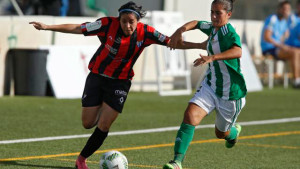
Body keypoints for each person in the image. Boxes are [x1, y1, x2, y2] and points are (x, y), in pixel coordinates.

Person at [30, 1, 199, 169]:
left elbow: (172, 42)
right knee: (87, 123)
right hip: (97, 77)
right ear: (118, 19)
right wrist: (47, 27)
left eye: (131, 22)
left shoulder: (146, 32)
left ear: (138, 21)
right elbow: (78, 28)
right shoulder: (106, 24)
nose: (127, 25)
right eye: (123, 21)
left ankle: (81, 160)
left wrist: (200, 45)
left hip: (120, 82)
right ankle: (103, 107)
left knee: (104, 125)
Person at [163, 0, 247, 168]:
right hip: (211, 85)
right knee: (190, 116)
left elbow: (238, 51)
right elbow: (196, 23)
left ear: (228, 15)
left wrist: (212, 57)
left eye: (218, 13)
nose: (214, 16)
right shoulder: (212, 28)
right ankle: (177, 162)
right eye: (212, 12)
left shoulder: (229, 32)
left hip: (231, 93)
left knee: (220, 133)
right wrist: (180, 31)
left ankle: (233, 133)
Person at [261, 0, 300, 87]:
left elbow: (283, 38)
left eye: (288, 9)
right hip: (269, 48)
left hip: (278, 48)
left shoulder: (285, 22)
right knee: (295, 52)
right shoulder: (273, 19)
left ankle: (297, 79)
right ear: (279, 9)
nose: (287, 11)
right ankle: (297, 81)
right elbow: (267, 37)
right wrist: (282, 46)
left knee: (297, 51)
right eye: (285, 9)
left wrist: (285, 40)